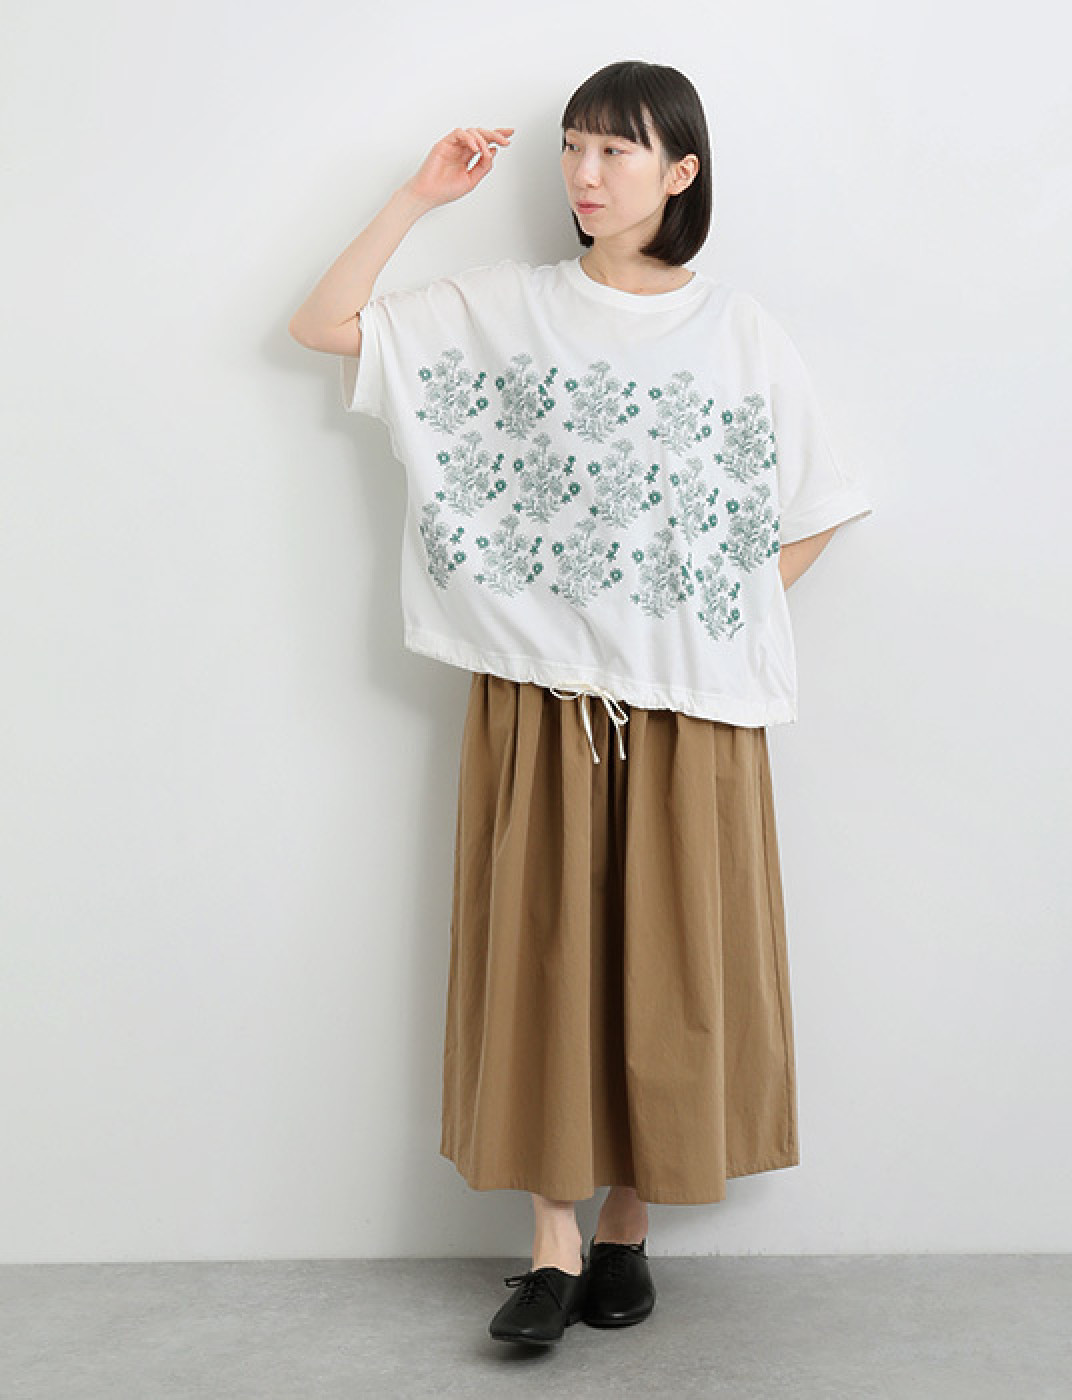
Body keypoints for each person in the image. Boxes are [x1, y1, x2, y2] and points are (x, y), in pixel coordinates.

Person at [289, 59, 873, 1348]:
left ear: (682, 172)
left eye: (617, 151)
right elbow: (324, 325)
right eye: (573, 147)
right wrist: (416, 197)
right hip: (543, 703)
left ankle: (626, 1228)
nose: (586, 174)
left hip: (687, 707)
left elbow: (820, 504)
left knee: (669, 965)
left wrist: (702, 612)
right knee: (546, 958)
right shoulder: (507, 307)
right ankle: (551, 1246)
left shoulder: (737, 332)